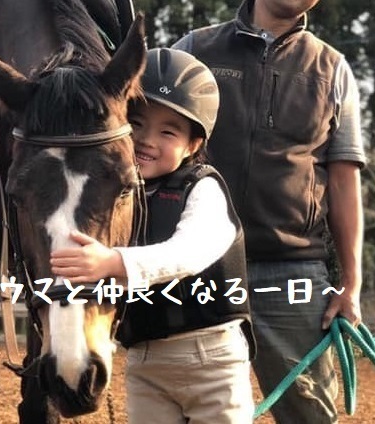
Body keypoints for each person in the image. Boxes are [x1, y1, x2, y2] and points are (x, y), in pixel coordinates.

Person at [173, 1, 366, 423]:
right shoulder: (193, 51)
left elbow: (343, 180)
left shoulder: (332, 68)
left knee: (309, 415)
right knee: (191, 410)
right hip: (196, 267)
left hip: (292, 272)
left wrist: (351, 283)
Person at [50, 48, 255, 424]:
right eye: (137, 123)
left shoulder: (203, 188)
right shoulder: (114, 197)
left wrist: (114, 262)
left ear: (193, 145)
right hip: (144, 360)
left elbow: (191, 250)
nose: (146, 140)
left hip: (211, 358)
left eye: (167, 131)